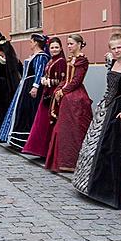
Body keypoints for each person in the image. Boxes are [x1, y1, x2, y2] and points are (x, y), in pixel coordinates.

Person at [72, 32, 121, 209]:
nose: (117, 50)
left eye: (119, 47)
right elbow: (109, 85)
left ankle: (112, 192)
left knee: (112, 150)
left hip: (119, 111)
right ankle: (92, 187)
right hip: (107, 107)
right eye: (113, 48)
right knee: (96, 145)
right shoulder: (114, 63)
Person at [45, 34, 92, 172]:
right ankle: (61, 162)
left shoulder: (82, 60)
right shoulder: (71, 59)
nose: (69, 46)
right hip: (68, 96)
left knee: (75, 130)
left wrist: (63, 90)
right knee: (62, 130)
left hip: (76, 98)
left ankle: (73, 162)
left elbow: (76, 80)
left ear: (79, 44)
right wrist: (59, 89)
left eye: (71, 44)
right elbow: (66, 79)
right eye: (68, 44)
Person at [0, 34, 50, 149]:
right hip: (25, 86)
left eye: (31, 41)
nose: (30, 43)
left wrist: (35, 86)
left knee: (27, 111)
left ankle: (24, 139)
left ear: (36, 42)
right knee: (20, 110)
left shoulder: (41, 57)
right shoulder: (34, 56)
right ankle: (16, 138)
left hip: (30, 86)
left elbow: (39, 72)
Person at [22, 37, 66, 158]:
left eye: (57, 47)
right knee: (42, 121)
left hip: (53, 93)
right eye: (52, 47)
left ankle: (48, 150)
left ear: (61, 48)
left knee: (48, 121)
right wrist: (44, 80)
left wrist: (48, 81)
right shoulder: (51, 60)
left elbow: (62, 80)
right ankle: (41, 149)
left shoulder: (61, 61)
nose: (54, 50)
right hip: (46, 93)